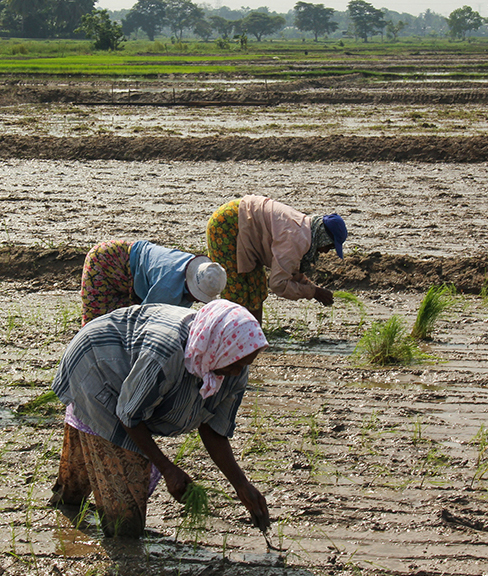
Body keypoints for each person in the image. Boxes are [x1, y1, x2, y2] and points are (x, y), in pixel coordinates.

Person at [49, 300, 270, 538]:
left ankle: (66, 501)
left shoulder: (231, 364)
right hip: (97, 364)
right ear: (218, 347)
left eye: (245, 364)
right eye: (235, 364)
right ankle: (82, 530)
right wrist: (167, 468)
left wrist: (241, 485)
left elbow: (213, 428)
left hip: (127, 383)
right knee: (126, 518)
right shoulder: (167, 352)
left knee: (87, 472)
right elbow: (129, 414)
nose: (238, 372)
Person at [206, 195, 347, 324]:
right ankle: (230, 339)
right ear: (322, 238)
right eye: (329, 246)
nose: (326, 251)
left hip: (245, 223)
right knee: (235, 289)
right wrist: (313, 292)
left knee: (256, 287)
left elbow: (290, 270)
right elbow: (278, 284)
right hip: (227, 224)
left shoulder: (305, 230)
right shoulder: (295, 239)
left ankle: (255, 338)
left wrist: (313, 289)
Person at [79, 239, 227, 326]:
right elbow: (144, 323)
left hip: (127, 268)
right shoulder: (168, 288)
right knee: (96, 325)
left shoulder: (191, 268)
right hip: (106, 261)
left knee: (119, 322)